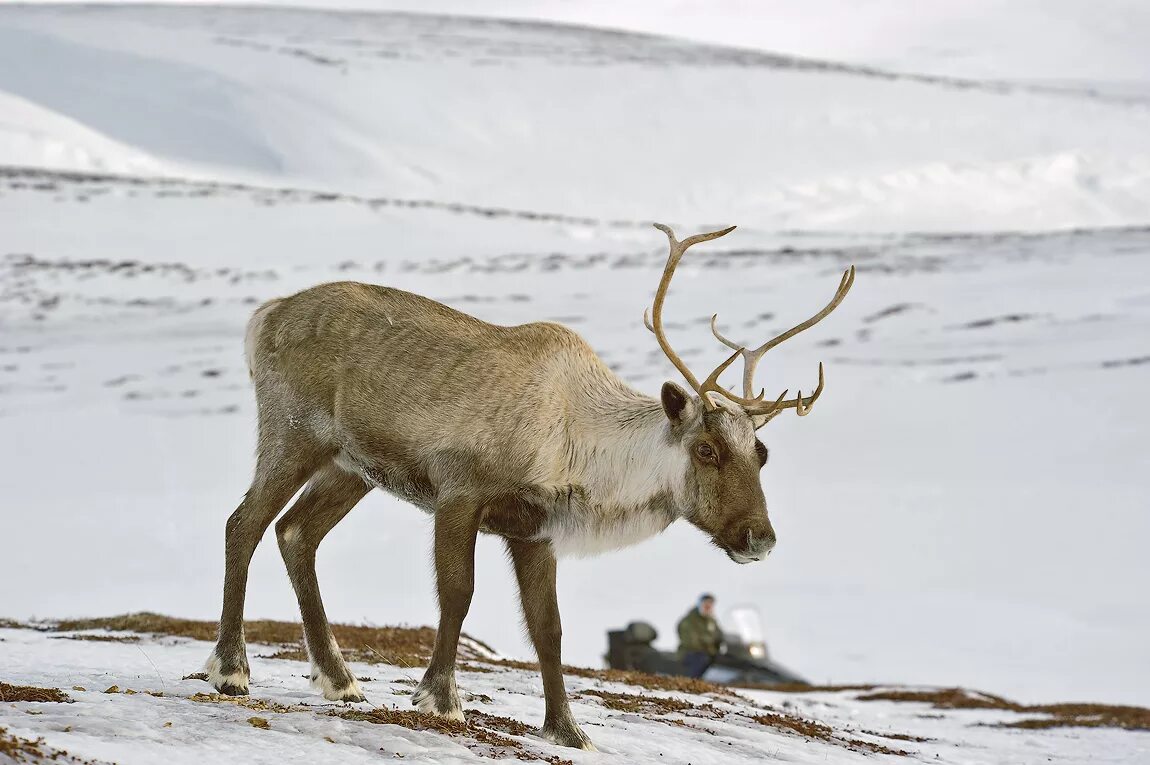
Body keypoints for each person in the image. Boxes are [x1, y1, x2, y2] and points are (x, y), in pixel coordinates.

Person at [677, 593, 723, 678]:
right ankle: (692, 683)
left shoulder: (712, 621)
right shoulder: (689, 620)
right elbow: (690, 641)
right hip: (689, 653)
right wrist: (709, 642)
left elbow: (720, 635)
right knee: (701, 660)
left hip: (708, 653)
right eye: (706, 604)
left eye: (710, 604)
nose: (708, 606)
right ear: (700, 604)